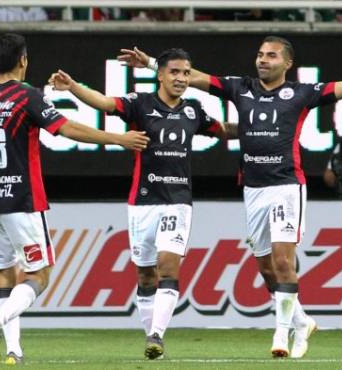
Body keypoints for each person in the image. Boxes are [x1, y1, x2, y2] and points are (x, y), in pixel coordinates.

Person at [118, 37, 342, 358]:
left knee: (282, 259)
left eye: (272, 55)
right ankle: (301, 321)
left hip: (286, 185)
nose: (263, 60)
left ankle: (281, 336)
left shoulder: (302, 94)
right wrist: (153, 64)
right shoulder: (241, 88)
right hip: (253, 188)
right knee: (266, 268)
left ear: (287, 63)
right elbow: (194, 77)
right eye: (260, 54)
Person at [0, 33, 149, 365]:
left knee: (6, 274)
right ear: (23, 60)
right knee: (38, 275)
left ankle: (13, 352)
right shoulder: (26, 96)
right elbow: (67, 128)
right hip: (23, 200)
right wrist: (118, 139)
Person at [49, 48, 235, 360]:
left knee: (168, 264)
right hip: (143, 201)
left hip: (178, 201)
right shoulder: (141, 104)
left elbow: (222, 131)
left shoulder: (193, 110)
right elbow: (105, 103)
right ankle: (152, 345)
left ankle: (156, 335)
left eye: (186, 73)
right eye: (175, 72)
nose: (181, 78)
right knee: (146, 275)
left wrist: (262, 133)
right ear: (160, 74)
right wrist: (74, 87)